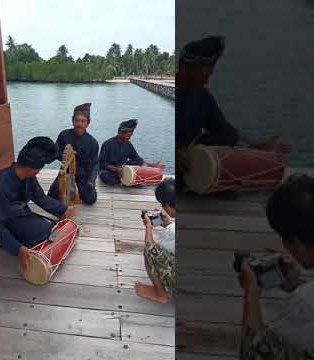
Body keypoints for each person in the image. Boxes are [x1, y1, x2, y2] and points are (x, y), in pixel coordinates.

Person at [176, 36, 290, 180]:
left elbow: (225, 130)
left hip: (188, 162)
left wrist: (258, 146)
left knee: (222, 139)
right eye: (205, 75)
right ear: (188, 69)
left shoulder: (202, 95)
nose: (207, 80)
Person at [238, 174, 314, 359]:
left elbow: (253, 354)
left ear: (295, 241)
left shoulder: (305, 303)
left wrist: (251, 294)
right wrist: (295, 285)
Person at [0, 136, 75, 274]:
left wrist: (64, 209)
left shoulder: (28, 176)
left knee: (50, 227)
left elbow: (39, 197)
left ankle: (13, 238)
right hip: (2, 221)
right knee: (45, 231)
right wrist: (18, 250)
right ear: (33, 168)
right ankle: (8, 241)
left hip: (19, 213)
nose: (40, 171)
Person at [47, 103, 99, 205]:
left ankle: (82, 189)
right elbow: (56, 152)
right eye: (77, 121)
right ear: (73, 121)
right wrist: (65, 155)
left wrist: (91, 180)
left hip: (83, 174)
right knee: (52, 196)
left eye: (83, 121)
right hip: (67, 172)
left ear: (88, 123)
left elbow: (95, 164)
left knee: (90, 200)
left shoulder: (92, 142)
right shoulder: (64, 135)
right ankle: (70, 188)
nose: (79, 124)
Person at [135, 178, 175, 303]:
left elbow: (151, 247)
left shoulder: (171, 232)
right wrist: (167, 223)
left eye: (163, 205)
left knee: (150, 252)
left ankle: (160, 294)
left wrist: (148, 226)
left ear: (167, 205)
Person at [99, 119, 165, 185]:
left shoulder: (128, 144)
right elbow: (102, 163)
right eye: (128, 136)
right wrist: (117, 169)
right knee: (104, 176)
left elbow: (137, 158)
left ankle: (124, 180)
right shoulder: (107, 144)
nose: (129, 138)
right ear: (120, 133)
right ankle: (123, 181)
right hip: (109, 171)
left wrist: (151, 165)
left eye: (130, 136)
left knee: (138, 161)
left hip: (122, 170)